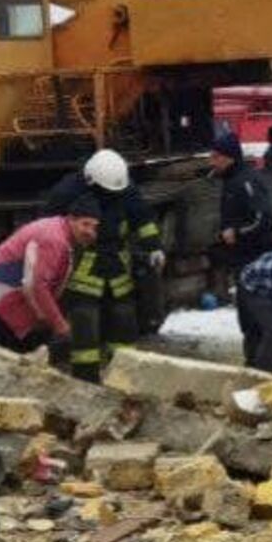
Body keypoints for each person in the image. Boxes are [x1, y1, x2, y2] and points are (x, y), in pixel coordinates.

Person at [40, 149, 164, 380]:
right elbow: (47, 225)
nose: (111, 195)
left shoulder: (123, 187)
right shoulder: (69, 190)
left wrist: (153, 246)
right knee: (85, 336)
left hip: (118, 273)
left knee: (125, 329)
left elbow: (142, 217)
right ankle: (87, 385)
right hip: (83, 276)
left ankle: (125, 385)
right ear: (91, 181)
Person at [0, 199, 102, 362]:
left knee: (10, 352)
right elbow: (37, 286)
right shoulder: (54, 240)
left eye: (95, 227)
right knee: (8, 356)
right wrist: (59, 324)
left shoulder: (59, 229)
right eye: (85, 224)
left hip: (1, 288)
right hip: (0, 292)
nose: (90, 232)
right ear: (71, 219)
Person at [213, 130, 272, 268]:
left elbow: (263, 219)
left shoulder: (246, 181)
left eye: (216, 157)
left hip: (256, 257)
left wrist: (235, 232)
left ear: (229, 157)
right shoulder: (230, 180)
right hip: (240, 255)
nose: (212, 162)